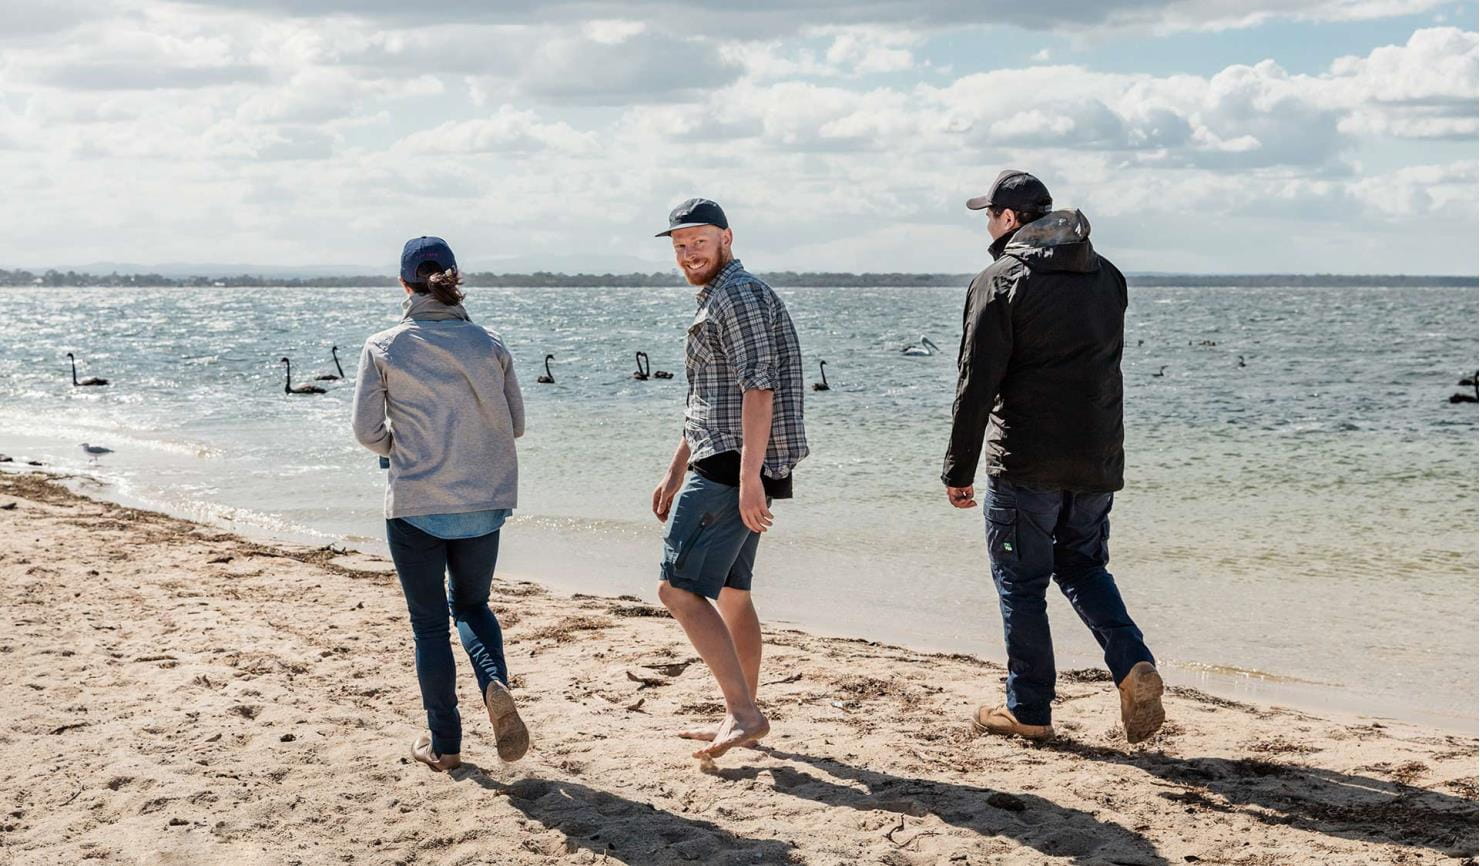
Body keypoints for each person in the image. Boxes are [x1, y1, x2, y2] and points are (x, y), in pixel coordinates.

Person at [942, 171, 1165, 744]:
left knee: (1021, 584)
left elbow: (976, 384)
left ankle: (1030, 709)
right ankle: (1132, 662)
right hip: (1097, 457)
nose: (987, 225)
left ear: (1010, 219)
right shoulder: (1107, 276)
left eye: (989, 215)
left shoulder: (999, 280)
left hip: (1025, 462)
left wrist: (957, 470)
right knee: (1084, 566)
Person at [352, 236, 530, 771]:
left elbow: (366, 431)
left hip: (416, 505)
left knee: (429, 626)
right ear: (453, 280)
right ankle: (493, 680)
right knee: (472, 606)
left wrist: (398, 448)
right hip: (483, 504)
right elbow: (516, 424)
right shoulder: (490, 342)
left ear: (404, 284)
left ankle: (445, 746)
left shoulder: (384, 345)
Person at [649, 198, 809, 760]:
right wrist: (675, 467)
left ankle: (744, 713)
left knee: (678, 590)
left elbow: (757, 388)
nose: (689, 253)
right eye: (680, 245)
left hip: (733, 465)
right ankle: (739, 712)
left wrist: (748, 480)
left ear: (726, 238)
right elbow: (710, 397)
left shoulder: (737, 295)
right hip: (728, 458)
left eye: (699, 241)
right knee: (734, 595)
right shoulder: (723, 294)